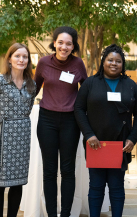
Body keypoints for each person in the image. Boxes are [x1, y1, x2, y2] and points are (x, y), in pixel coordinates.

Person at [74, 44, 137, 217]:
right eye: (110, 60)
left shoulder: (130, 85)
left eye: (118, 61)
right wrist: (88, 134)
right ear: (103, 61)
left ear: (123, 64)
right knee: (96, 186)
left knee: (116, 186)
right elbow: (78, 109)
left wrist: (133, 138)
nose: (114, 63)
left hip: (120, 144)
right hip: (95, 143)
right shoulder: (90, 83)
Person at [34, 26, 87, 217]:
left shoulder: (78, 64)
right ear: (54, 43)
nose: (64, 47)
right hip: (47, 119)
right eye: (61, 42)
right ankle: (51, 214)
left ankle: (65, 214)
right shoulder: (43, 63)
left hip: (70, 122)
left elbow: (86, 92)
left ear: (74, 46)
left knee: (67, 170)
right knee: (49, 170)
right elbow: (33, 89)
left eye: (69, 44)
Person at [0, 43, 36, 217]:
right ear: (10, 59)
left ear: (28, 61)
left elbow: (28, 109)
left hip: (22, 137)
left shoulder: (31, 83)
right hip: (3, 136)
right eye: (17, 56)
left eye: (25, 57)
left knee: (18, 183)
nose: (21, 60)